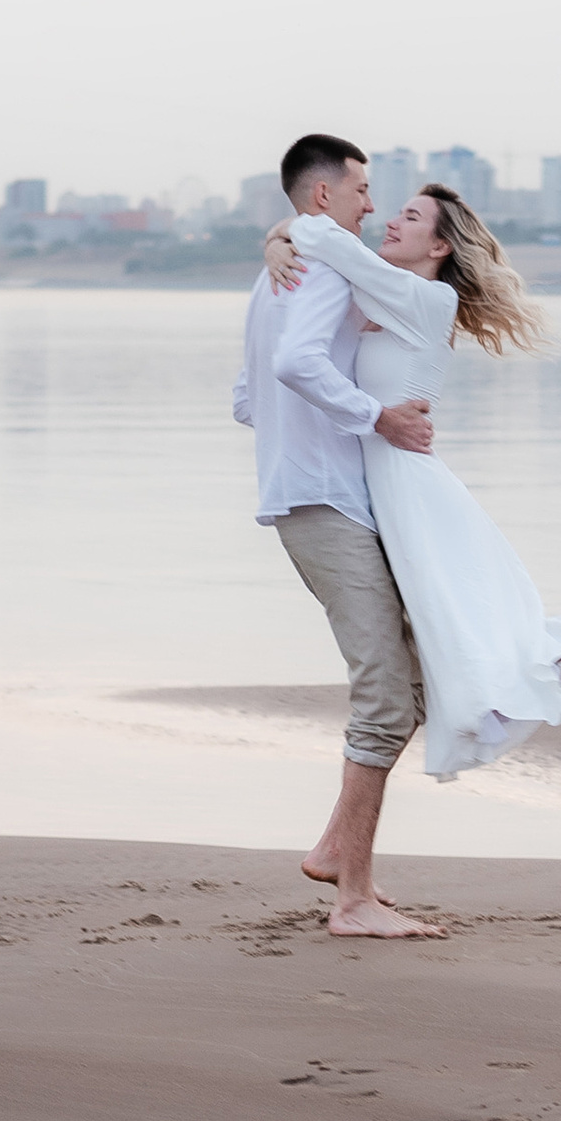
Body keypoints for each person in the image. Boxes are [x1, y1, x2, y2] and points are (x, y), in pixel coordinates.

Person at [263, 158, 561, 789]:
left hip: (413, 494)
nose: (386, 219)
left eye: (409, 216)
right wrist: (277, 240)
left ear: (438, 244)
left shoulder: (425, 298)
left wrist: (279, 238)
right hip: (394, 491)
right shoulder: (387, 292)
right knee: (475, 657)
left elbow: (322, 236)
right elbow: (321, 248)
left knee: (485, 650)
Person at [232, 132, 444, 941]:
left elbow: (248, 396)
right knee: (388, 696)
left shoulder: (281, 268)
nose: (370, 202)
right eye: (361, 188)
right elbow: (291, 367)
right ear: (323, 196)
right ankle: (352, 898)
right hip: (324, 504)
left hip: (320, 498)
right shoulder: (314, 264)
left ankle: (337, 854)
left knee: (406, 688)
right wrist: (375, 415)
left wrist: (314, 429)